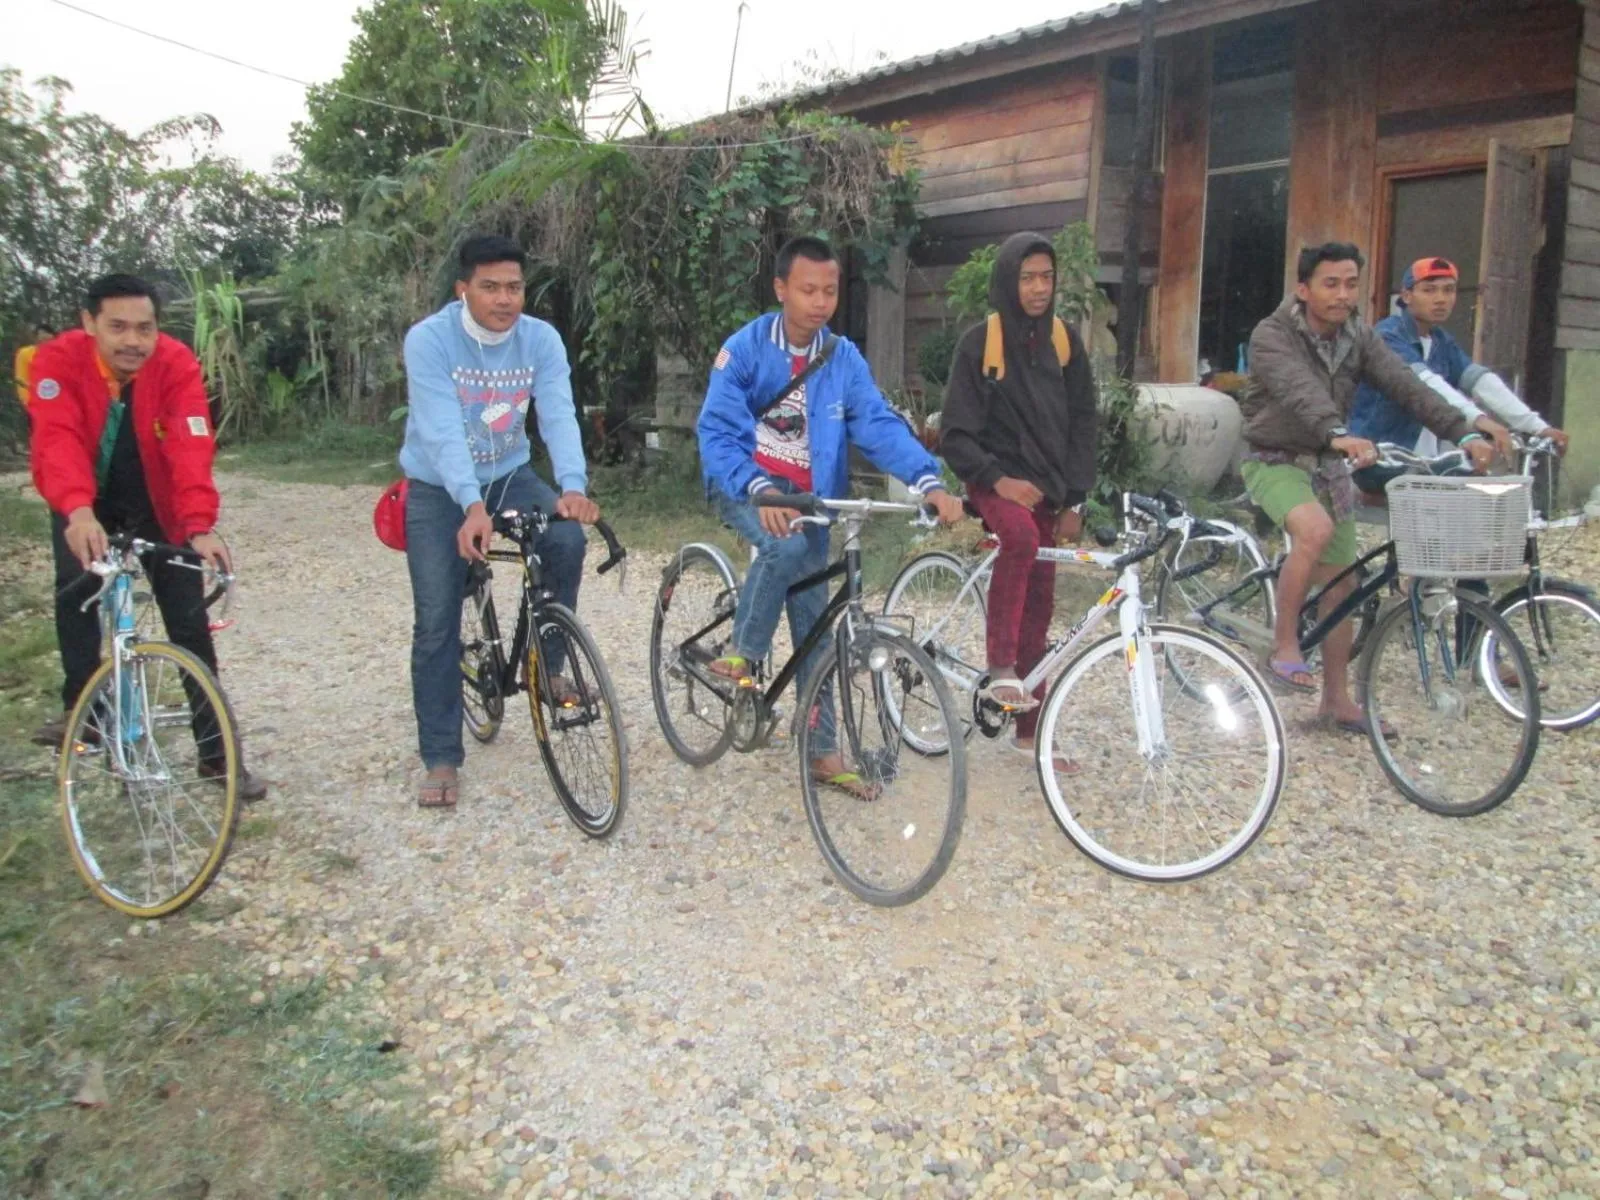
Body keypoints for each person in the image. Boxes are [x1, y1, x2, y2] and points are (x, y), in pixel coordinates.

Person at [697, 235, 965, 799]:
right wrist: (760, 487)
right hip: (746, 486)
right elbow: (717, 432)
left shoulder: (842, 357)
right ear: (780, 289)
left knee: (818, 627)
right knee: (788, 549)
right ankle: (742, 651)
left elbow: (877, 422)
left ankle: (822, 753)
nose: (820, 302)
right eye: (807, 289)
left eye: (830, 290)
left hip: (813, 500)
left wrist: (928, 480)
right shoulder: (744, 349)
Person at [1237, 242, 1495, 734]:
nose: (1342, 294)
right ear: (1303, 288)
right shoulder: (1273, 334)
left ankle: (1336, 700)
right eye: (1330, 283)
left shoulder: (1359, 335)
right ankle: (1285, 642)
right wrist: (1337, 432)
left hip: (1331, 466)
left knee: (1343, 587)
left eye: (1351, 283)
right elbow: (1298, 390)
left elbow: (1405, 385)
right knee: (1311, 531)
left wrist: (1461, 430)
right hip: (1275, 458)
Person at [28, 274, 267, 800]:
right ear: (89, 324)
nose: (133, 341)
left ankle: (215, 755)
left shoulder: (176, 363)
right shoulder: (57, 361)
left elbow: (189, 443)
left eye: (145, 328)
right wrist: (76, 510)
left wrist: (199, 525)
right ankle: (84, 715)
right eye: (118, 327)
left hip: (158, 502)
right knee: (76, 593)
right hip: (84, 501)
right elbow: (57, 437)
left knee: (189, 624)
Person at [400, 233, 599, 809]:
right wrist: (471, 505)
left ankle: (548, 669)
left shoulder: (540, 340)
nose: (504, 298)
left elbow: (558, 413)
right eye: (489, 287)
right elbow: (439, 429)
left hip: (511, 473)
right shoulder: (431, 340)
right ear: (463, 289)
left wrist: (573, 487)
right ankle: (440, 755)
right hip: (439, 485)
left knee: (565, 539)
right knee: (436, 619)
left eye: (514, 286)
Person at [939, 231, 1097, 771]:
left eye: (1046, 277)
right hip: (994, 482)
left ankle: (1031, 734)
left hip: (1048, 487)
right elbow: (955, 433)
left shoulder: (1064, 342)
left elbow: (1083, 425)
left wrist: (1077, 499)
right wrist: (998, 481)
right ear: (1008, 280)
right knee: (1022, 539)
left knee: (1042, 605)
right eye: (1027, 277)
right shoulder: (979, 343)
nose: (1037, 288)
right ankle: (1001, 665)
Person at [1350, 256, 1567, 459]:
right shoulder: (1387, 335)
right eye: (1429, 290)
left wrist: (1538, 426)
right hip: (1378, 457)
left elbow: (1480, 380)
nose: (1440, 299)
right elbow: (1423, 385)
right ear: (1406, 296)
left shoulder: (1441, 341)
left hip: (1424, 462)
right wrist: (1479, 420)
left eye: (1449, 290)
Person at [14, 325, 55, 413]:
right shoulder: (25, 353)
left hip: (58, 404)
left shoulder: (60, 354)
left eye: (47, 335)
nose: (44, 338)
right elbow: (21, 379)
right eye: (41, 335)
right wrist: (28, 402)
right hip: (34, 404)